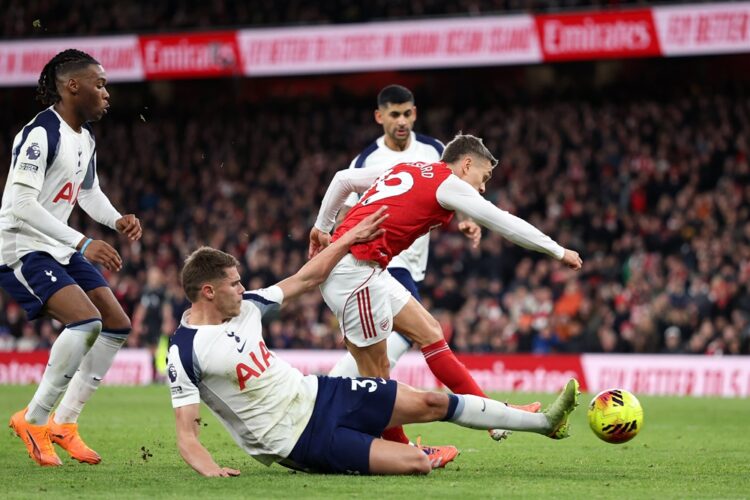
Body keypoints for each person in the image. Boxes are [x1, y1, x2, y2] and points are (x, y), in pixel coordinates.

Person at [168, 223, 580, 476]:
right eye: (235, 283)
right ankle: (411, 450)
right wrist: (211, 471)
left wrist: (348, 239)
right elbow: (187, 433)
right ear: (208, 291)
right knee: (416, 465)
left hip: (322, 393)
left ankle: (545, 423)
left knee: (434, 402)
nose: (243, 288)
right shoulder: (185, 351)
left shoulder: (248, 307)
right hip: (301, 442)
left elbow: (306, 277)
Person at [308, 134, 583, 443]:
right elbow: (503, 222)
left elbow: (342, 179)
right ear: (466, 164)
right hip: (353, 273)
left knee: (430, 332)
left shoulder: (411, 166)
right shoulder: (447, 182)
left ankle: (491, 415)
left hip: (366, 268)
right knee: (378, 376)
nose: (482, 187)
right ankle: (402, 450)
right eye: (484, 176)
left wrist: (322, 227)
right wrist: (558, 251)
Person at [327, 85, 502, 445]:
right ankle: (346, 395)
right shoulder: (365, 161)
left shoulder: (435, 150)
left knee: (398, 342)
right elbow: (348, 207)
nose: (402, 121)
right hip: (381, 261)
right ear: (380, 117)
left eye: (407, 113)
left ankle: (346, 394)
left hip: (410, 261)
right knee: (414, 334)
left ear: (415, 113)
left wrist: (467, 219)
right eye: (394, 114)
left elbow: (455, 192)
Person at [5, 49, 142, 467]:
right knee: (86, 322)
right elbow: (21, 205)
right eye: (98, 84)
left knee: (116, 325)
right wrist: (84, 242)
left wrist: (116, 219)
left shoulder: (84, 137)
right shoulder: (40, 133)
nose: (106, 93)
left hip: (58, 247)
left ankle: (65, 424)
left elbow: (87, 193)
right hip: (21, 248)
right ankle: (35, 418)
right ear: (72, 86)